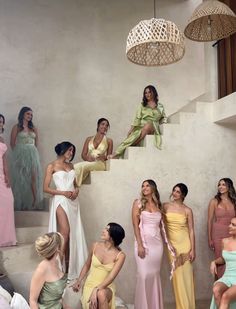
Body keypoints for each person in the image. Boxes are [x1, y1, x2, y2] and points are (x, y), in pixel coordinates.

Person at [43, 141, 88, 279]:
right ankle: (57, 265)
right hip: (60, 200)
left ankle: (69, 266)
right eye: (69, 150)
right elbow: (45, 188)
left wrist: (76, 191)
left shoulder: (71, 165)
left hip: (73, 202)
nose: (71, 153)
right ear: (62, 150)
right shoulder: (52, 166)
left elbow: (74, 185)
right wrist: (62, 193)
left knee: (73, 234)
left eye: (73, 151)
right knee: (65, 232)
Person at [72, 222, 126, 309]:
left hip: (106, 287)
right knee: (93, 305)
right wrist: (79, 281)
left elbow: (111, 277)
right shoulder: (95, 246)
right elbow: (87, 265)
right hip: (90, 285)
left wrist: (97, 289)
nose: (103, 231)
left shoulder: (120, 255)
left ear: (113, 237)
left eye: (107, 230)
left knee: (101, 293)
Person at [132, 179, 164, 309]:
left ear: (153, 188)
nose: (144, 188)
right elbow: (135, 225)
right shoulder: (138, 203)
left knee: (154, 275)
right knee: (143, 275)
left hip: (157, 246)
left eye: (147, 185)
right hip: (143, 244)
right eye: (142, 186)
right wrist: (140, 245)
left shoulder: (159, 205)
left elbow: (162, 228)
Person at [110, 85, 167, 158]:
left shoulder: (160, 106)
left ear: (154, 93)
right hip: (141, 126)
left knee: (148, 124)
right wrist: (131, 129)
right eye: (145, 93)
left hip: (153, 127)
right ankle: (117, 152)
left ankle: (122, 150)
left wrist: (163, 123)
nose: (147, 94)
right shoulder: (142, 105)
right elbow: (137, 118)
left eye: (149, 92)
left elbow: (163, 117)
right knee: (134, 134)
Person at [163, 183, 196, 309]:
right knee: (177, 275)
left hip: (185, 243)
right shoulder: (165, 206)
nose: (175, 193)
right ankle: (182, 306)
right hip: (172, 245)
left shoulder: (188, 210)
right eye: (174, 190)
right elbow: (162, 224)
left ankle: (189, 306)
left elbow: (191, 230)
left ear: (183, 195)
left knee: (187, 274)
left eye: (178, 192)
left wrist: (193, 249)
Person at [10, 106, 43, 210]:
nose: (30, 116)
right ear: (23, 114)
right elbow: (12, 143)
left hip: (32, 154)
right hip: (20, 155)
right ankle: (22, 203)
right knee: (21, 179)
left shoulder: (34, 128)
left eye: (31, 115)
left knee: (33, 178)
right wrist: (18, 157)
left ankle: (34, 201)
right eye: (28, 114)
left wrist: (33, 154)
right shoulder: (16, 127)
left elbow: (36, 144)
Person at [29, 232, 69, 309]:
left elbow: (58, 297)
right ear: (57, 248)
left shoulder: (56, 262)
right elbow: (32, 300)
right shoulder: (41, 270)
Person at [208, 178, 236, 279]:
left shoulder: (234, 201)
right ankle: (218, 286)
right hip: (218, 235)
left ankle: (230, 289)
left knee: (231, 260)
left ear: (229, 187)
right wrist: (210, 238)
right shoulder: (214, 201)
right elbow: (210, 220)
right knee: (219, 261)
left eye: (223, 184)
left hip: (232, 233)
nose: (220, 186)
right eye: (219, 184)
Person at [74, 118, 113, 186]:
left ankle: (75, 186)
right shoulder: (88, 139)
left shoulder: (109, 141)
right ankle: (71, 186)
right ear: (98, 125)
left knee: (80, 166)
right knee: (75, 166)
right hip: (89, 162)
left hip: (100, 164)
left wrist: (103, 157)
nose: (104, 126)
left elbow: (109, 157)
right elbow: (83, 154)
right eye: (103, 124)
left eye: (107, 125)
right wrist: (87, 158)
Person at [210, 217, 236, 309]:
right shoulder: (224, 241)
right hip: (227, 276)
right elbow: (224, 259)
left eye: (233, 225)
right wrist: (214, 262)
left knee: (225, 296)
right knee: (216, 290)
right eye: (230, 223)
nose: (229, 226)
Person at [0, 114, 16, 247]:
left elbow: (4, 160)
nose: (1, 124)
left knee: (8, 201)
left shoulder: (2, 139)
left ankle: (6, 238)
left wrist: (7, 175)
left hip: (2, 176)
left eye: (1, 122)